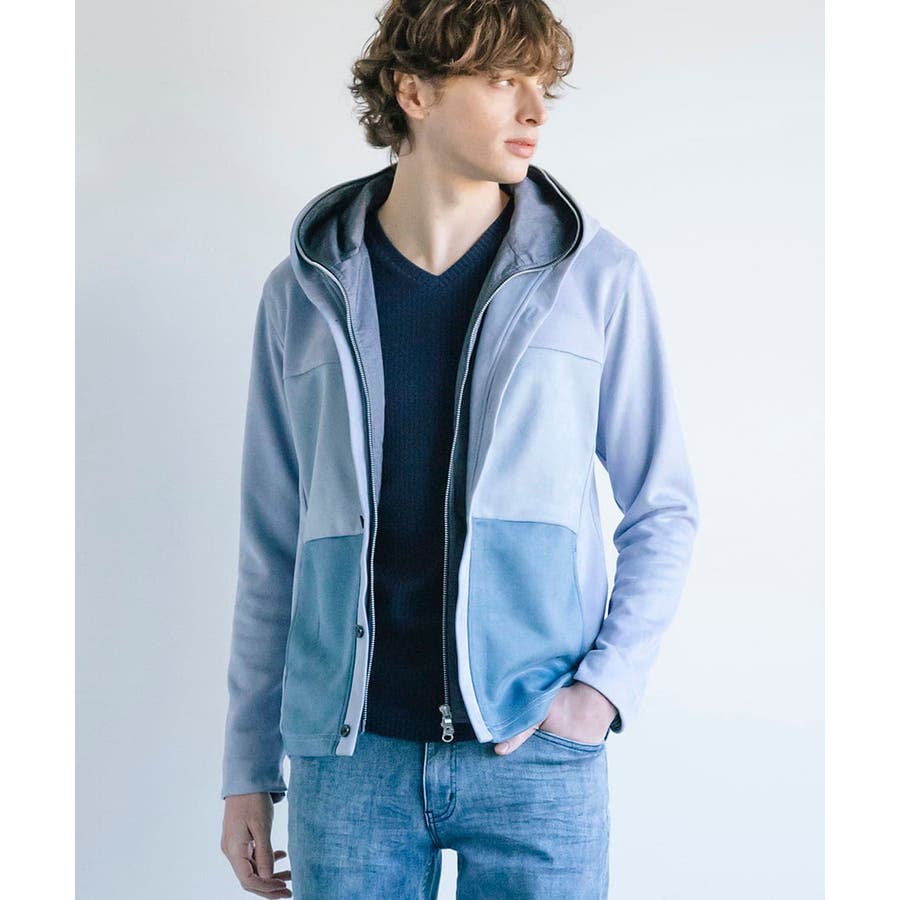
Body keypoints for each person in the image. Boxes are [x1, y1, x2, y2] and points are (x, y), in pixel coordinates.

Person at [219, 1, 699, 897]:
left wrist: (600, 693)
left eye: (542, 85)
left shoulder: (597, 279)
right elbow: (273, 542)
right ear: (414, 92)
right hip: (348, 757)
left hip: (534, 750)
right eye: (502, 80)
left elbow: (664, 506)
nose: (536, 110)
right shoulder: (304, 292)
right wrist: (247, 765)